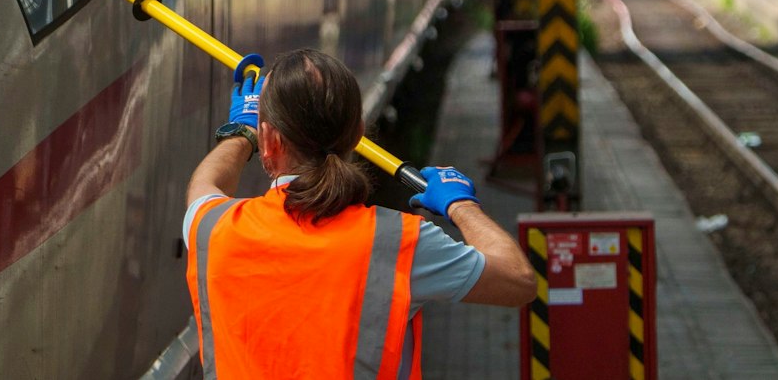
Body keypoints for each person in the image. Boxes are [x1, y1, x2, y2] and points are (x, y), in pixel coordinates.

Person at [185, 49, 535, 378]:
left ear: (270, 139)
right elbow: (519, 281)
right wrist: (461, 205)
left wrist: (241, 133)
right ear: (356, 134)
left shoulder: (212, 229)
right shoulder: (399, 242)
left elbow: (205, 184)